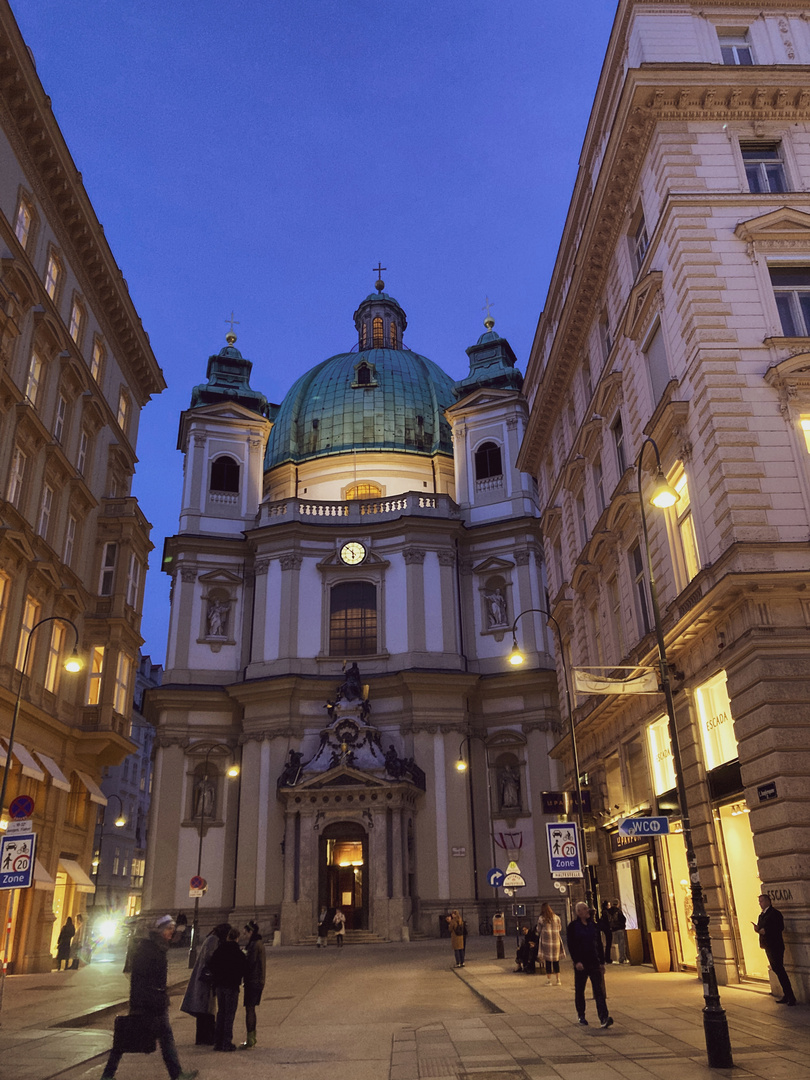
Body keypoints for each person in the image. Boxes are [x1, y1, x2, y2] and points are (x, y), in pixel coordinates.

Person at [101, 914, 198, 1080]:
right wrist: (139, 1002)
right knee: (127, 1039)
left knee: (163, 1038)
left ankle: (176, 1074)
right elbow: (139, 978)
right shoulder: (148, 950)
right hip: (149, 1002)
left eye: (172, 929)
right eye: (169, 929)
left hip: (155, 1000)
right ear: (159, 930)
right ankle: (108, 1075)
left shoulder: (158, 948)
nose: (171, 932)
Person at [181, 922, 231, 1044]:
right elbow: (209, 957)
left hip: (205, 978)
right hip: (205, 979)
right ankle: (206, 1037)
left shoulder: (212, 938)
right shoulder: (213, 939)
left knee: (205, 1009)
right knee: (205, 1009)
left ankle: (205, 1036)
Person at [567, 902, 613, 1029]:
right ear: (578, 912)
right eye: (584, 909)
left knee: (598, 990)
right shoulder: (573, 927)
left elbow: (598, 944)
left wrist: (602, 962)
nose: (587, 911)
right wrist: (576, 961)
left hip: (594, 962)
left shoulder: (593, 926)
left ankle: (604, 1017)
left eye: (587, 908)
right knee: (580, 990)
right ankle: (581, 1015)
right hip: (581, 963)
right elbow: (571, 946)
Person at [209, 926, 248, 1052]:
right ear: (237, 938)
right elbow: (244, 970)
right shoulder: (238, 953)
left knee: (221, 1013)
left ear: (227, 937)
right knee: (229, 1015)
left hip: (220, 986)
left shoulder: (220, 950)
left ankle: (218, 1042)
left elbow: (211, 964)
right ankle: (226, 1042)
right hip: (232, 986)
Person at [754, 894, 796, 1005]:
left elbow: (779, 927)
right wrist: (758, 929)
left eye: (762, 901)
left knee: (780, 970)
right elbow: (761, 926)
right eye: (759, 902)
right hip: (767, 945)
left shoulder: (775, 914)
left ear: (768, 901)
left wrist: (766, 930)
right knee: (777, 969)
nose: (760, 904)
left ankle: (790, 996)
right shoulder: (762, 915)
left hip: (775, 945)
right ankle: (787, 995)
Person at [240, 920, 266, 1049]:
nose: (244, 936)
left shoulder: (254, 945)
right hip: (257, 980)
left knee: (249, 1009)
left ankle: (250, 1039)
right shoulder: (258, 943)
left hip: (253, 981)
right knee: (251, 1009)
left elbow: (250, 963)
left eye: (246, 933)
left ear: (251, 932)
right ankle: (252, 1037)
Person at [537, 902, 565, 986]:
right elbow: (560, 928)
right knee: (556, 961)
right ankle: (558, 980)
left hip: (546, 942)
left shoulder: (541, 919)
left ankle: (549, 980)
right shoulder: (557, 918)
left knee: (548, 961)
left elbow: (538, 929)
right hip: (556, 941)